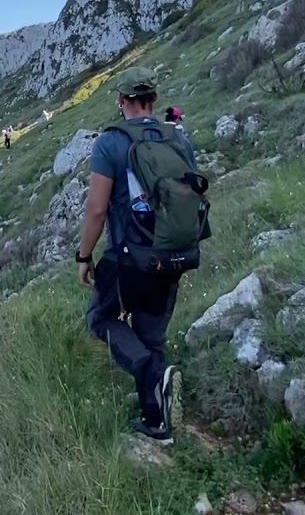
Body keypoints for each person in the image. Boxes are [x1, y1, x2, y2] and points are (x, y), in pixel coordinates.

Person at [76, 66, 203, 445]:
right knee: (152, 334)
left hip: (130, 258)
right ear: (154, 100)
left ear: (122, 101)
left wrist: (84, 257)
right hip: (176, 253)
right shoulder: (179, 140)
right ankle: (156, 423)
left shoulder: (111, 143)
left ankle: (148, 373)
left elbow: (97, 209)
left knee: (100, 318)